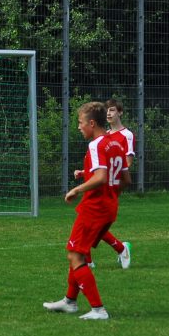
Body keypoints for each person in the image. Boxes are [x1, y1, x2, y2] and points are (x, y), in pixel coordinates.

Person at [43, 102, 130, 320]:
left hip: (94, 208)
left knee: (74, 254)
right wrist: (108, 191)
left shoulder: (96, 145)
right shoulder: (116, 143)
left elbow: (101, 177)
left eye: (81, 123)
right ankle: (70, 301)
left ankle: (98, 310)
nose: (79, 127)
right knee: (79, 253)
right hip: (110, 207)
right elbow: (125, 179)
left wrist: (76, 189)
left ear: (92, 123)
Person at [86, 98, 132, 269]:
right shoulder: (103, 135)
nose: (109, 114)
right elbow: (102, 163)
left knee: (91, 224)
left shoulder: (126, 135)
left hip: (110, 185)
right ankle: (91, 258)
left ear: (120, 112)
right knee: (91, 223)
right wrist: (85, 172)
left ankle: (90, 258)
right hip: (99, 182)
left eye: (112, 110)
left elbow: (125, 164)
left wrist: (113, 183)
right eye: (107, 111)